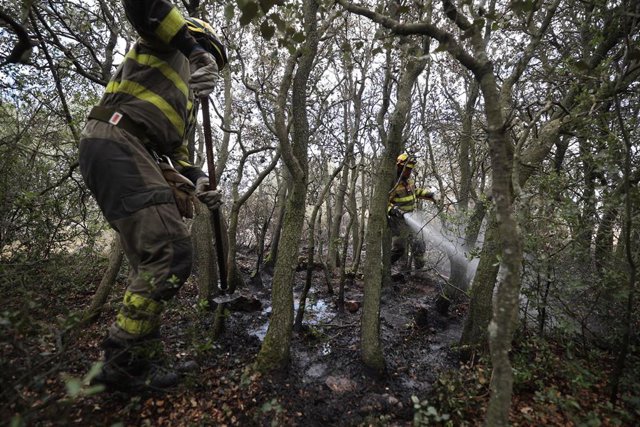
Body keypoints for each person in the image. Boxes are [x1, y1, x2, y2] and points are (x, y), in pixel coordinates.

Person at [78, 0, 228, 390]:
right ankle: (122, 360)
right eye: (210, 57)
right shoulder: (164, 43)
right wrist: (193, 49)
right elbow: (144, 5)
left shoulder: (186, 104)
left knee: (151, 262)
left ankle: (141, 359)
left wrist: (200, 183)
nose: (210, 68)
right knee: (171, 252)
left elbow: (176, 157)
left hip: (135, 150)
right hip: (117, 138)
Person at [387, 153, 437, 271]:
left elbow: (415, 191)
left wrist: (430, 194)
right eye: (407, 169)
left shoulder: (408, 181)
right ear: (399, 167)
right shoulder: (392, 184)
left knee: (419, 243)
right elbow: (383, 202)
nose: (409, 172)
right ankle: (382, 268)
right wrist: (393, 210)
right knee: (399, 249)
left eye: (410, 169)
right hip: (398, 221)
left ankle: (419, 270)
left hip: (410, 218)